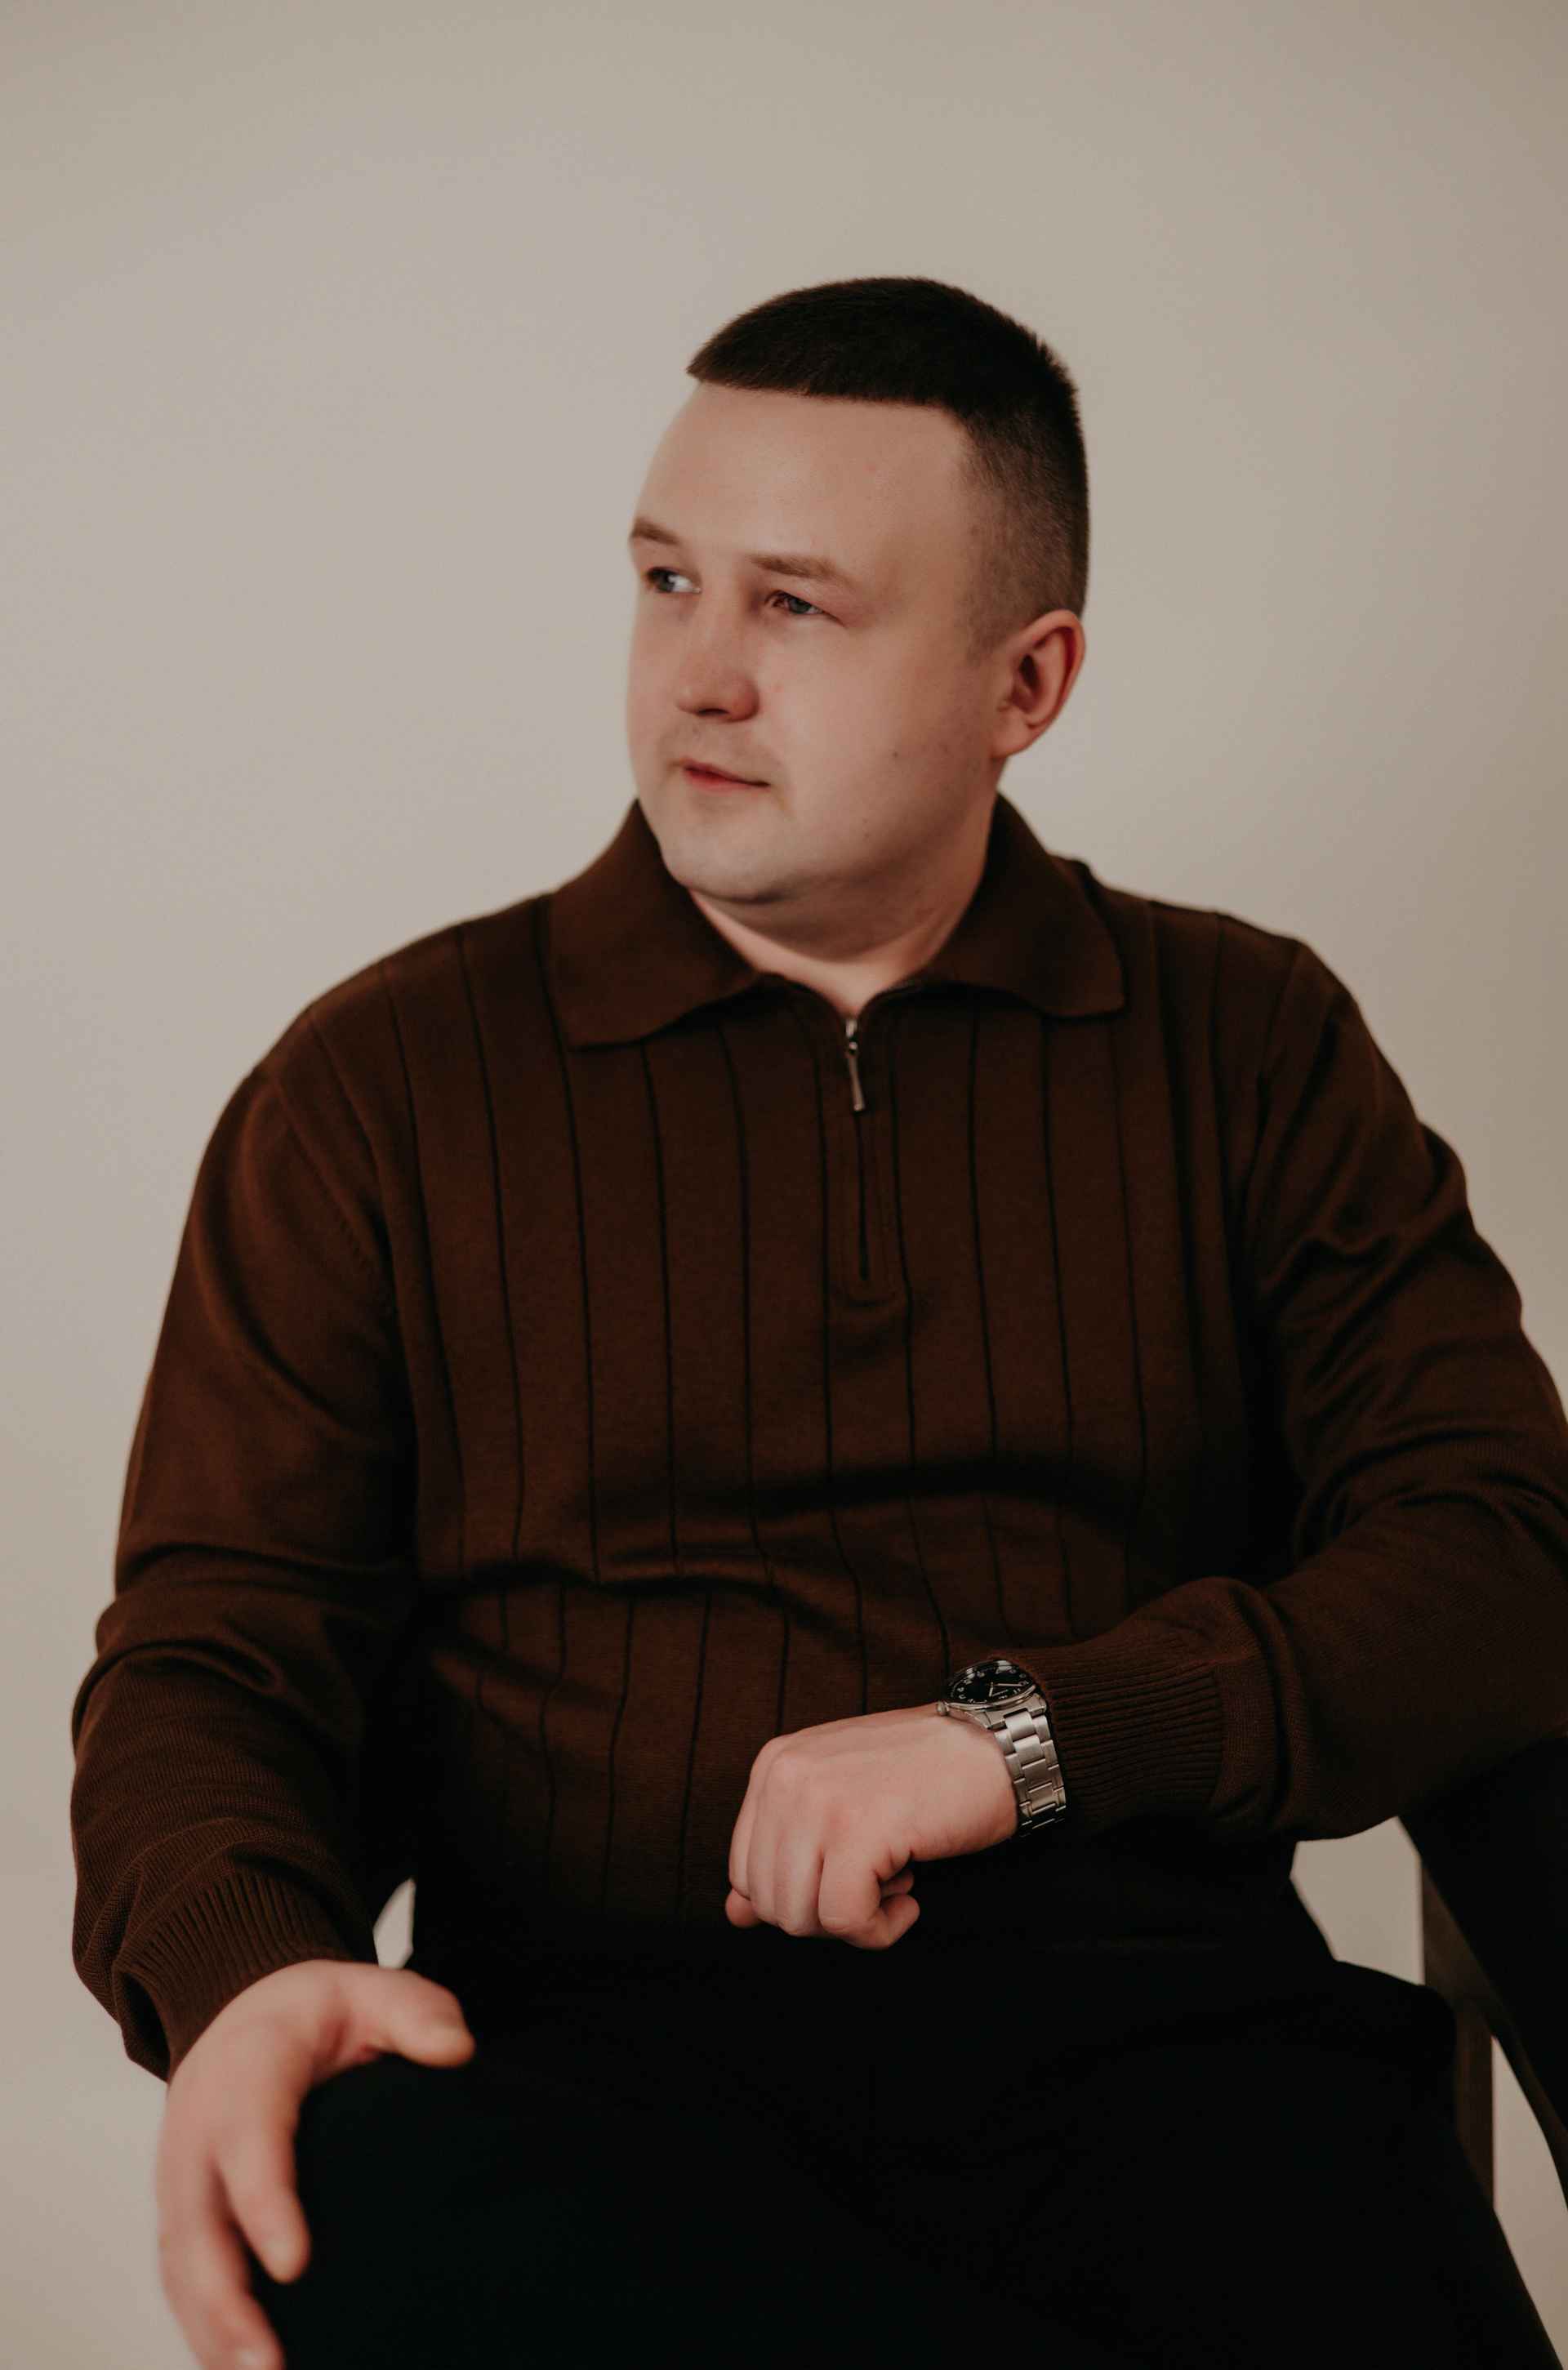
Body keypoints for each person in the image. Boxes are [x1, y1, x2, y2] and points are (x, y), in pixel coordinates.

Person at [72, 278, 1568, 2370]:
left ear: (1025, 680)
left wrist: (1027, 1740)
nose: (699, 670)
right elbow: (211, 1656)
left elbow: (1501, 1554)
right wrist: (243, 1967)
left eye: (796, 604)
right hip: (587, 2081)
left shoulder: (1248, 1042)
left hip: (1161, 2047)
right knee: (382, 2182)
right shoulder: (379, 1085)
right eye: (666, 579)